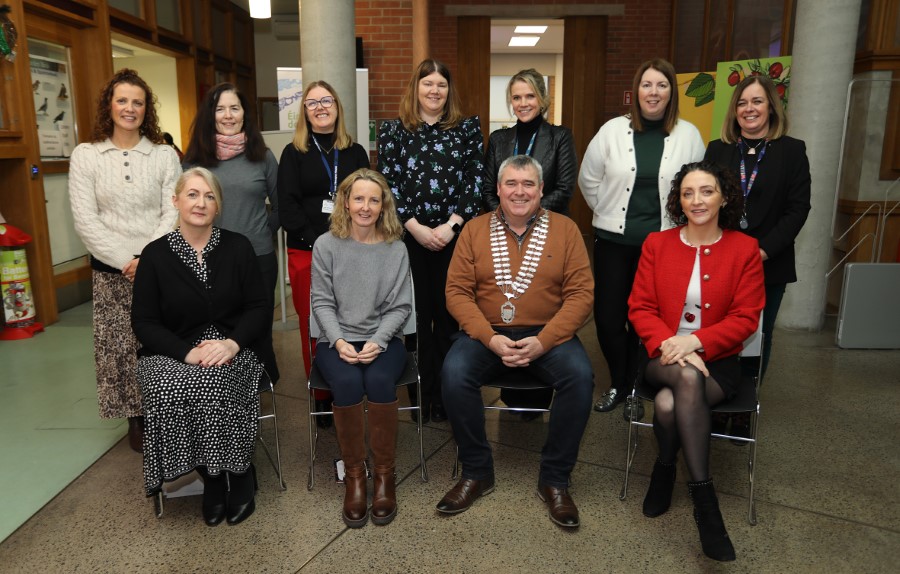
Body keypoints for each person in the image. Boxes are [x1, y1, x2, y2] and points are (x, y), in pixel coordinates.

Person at [437, 155, 594, 529]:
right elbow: (457, 292)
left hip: (548, 333)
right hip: (486, 332)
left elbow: (581, 295)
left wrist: (545, 340)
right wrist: (490, 338)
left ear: (541, 190)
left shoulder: (566, 229)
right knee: (454, 372)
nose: (519, 191)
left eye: (528, 184)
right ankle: (476, 472)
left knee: (580, 377)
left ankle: (555, 479)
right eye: (511, 183)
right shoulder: (475, 230)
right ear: (498, 189)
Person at [628, 161, 764, 561]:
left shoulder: (744, 249)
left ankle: (665, 468)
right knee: (684, 379)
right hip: (661, 354)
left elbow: (745, 319)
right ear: (678, 201)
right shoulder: (657, 244)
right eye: (687, 193)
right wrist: (673, 345)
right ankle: (707, 507)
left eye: (706, 191)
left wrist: (697, 343)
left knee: (670, 402)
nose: (697, 200)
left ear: (724, 197)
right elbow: (640, 308)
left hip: (718, 361)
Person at [132, 167, 275, 526]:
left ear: (218, 207)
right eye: (193, 194)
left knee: (216, 381)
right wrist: (187, 353)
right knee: (168, 385)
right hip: (174, 349)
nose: (201, 203)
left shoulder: (238, 247)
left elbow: (258, 307)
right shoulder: (154, 255)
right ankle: (212, 478)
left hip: (235, 344)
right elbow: (144, 323)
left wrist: (231, 344)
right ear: (176, 200)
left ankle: (239, 474)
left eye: (210, 196)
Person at [579, 58, 706, 420]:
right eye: (647, 85)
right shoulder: (611, 131)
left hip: (665, 247)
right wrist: (607, 211)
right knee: (607, 317)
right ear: (635, 92)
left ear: (671, 92)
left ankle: (636, 386)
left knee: (647, 320)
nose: (653, 92)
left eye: (661, 85)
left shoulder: (689, 135)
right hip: (613, 244)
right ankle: (619, 379)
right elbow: (589, 179)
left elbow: (698, 189)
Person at [68, 68, 181, 452]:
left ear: (146, 108)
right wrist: (124, 260)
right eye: (122, 101)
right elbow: (86, 219)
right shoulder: (86, 156)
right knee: (120, 347)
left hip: (160, 267)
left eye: (137, 102)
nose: (129, 108)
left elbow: (173, 210)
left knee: (164, 339)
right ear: (109, 105)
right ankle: (137, 418)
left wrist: (146, 258)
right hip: (111, 270)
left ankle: (169, 409)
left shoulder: (164, 155)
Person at [377, 59, 483, 423]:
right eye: (428, 84)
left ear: (448, 90)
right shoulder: (393, 131)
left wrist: (452, 225)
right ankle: (421, 398)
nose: (435, 90)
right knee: (417, 320)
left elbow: (475, 179)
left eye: (441, 84)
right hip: (409, 238)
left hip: (454, 238)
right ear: (416, 88)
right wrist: (417, 228)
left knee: (449, 318)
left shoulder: (466, 129)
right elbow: (387, 181)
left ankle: (447, 396)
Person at [311, 168, 412, 528]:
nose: (365, 207)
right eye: (358, 199)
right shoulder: (326, 246)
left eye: (373, 199)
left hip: (384, 339)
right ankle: (355, 476)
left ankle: (384, 475)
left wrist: (378, 340)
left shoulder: (395, 248)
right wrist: (338, 341)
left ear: (383, 204)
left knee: (381, 382)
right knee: (349, 384)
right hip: (334, 338)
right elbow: (321, 303)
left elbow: (401, 307)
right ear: (346, 203)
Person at [482, 68, 577, 416]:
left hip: (547, 231)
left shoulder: (560, 137)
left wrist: (528, 214)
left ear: (542, 99)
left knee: (539, 299)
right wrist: (510, 219)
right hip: (503, 234)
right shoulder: (499, 139)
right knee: (509, 295)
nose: (523, 103)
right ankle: (512, 381)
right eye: (517, 97)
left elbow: (565, 188)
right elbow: (489, 188)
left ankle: (540, 371)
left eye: (530, 96)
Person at [704, 75, 811, 383]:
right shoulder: (717, 150)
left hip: (769, 262)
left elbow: (798, 208)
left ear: (771, 108)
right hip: (721, 261)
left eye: (757, 101)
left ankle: (744, 403)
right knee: (717, 330)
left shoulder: (792, 151)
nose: (749, 109)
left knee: (757, 336)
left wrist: (762, 251)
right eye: (742, 102)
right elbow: (705, 204)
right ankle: (713, 392)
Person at [278, 80, 371, 428]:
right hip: (308, 252)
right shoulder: (293, 153)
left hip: (355, 251)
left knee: (352, 320)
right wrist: (322, 244)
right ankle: (321, 394)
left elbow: (370, 201)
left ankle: (351, 386)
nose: (320, 107)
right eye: (312, 102)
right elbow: (287, 208)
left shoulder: (356, 152)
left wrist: (346, 243)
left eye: (326, 100)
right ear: (304, 110)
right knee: (313, 325)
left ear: (337, 107)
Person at [183, 82, 280, 383]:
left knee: (258, 325)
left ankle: (262, 387)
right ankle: (228, 387)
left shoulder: (262, 156)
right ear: (210, 115)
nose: (228, 115)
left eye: (234, 108)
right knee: (221, 327)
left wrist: (262, 231)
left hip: (258, 257)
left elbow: (280, 206)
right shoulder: (195, 160)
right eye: (220, 108)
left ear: (244, 114)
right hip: (210, 260)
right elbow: (186, 212)